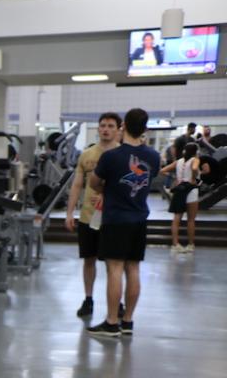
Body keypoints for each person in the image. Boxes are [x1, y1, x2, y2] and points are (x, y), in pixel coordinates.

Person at [86, 108, 160, 338]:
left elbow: (95, 182)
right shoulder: (154, 157)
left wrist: (108, 188)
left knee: (115, 269)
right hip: (139, 218)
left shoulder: (111, 156)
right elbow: (149, 180)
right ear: (145, 129)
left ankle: (111, 322)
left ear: (123, 126)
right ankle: (127, 321)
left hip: (116, 219)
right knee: (133, 268)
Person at [65, 112, 121, 318]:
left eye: (110, 126)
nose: (106, 129)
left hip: (113, 219)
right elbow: (77, 185)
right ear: (98, 129)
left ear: (118, 130)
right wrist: (70, 212)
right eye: (103, 125)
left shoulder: (122, 155)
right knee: (89, 260)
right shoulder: (87, 155)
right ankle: (88, 299)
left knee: (113, 264)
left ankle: (116, 303)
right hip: (88, 218)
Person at [160, 143, 201, 254]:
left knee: (176, 218)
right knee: (191, 219)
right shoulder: (195, 159)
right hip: (191, 190)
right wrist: (194, 175)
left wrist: (173, 177)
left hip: (179, 190)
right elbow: (195, 167)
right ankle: (190, 244)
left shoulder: (178, 162)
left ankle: (175, 244)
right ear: (195, 151)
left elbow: (162, 170)